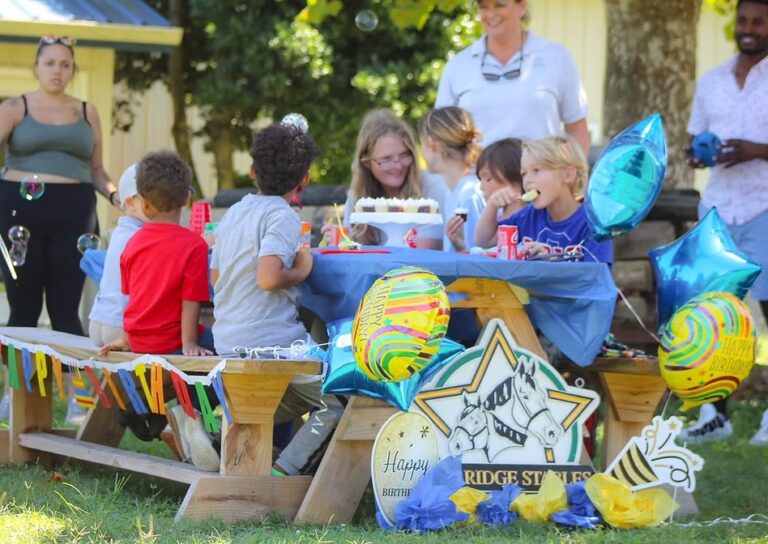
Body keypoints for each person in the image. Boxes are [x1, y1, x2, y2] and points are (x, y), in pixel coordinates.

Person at [211, 123, 344, 477]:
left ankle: (218, 431)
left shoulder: (235, 212)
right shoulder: (282, 215)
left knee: (275, 399)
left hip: (227, 338)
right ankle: (285, 470)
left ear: (253, 171)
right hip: (270, 343)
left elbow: (216, 277)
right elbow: (269, 278)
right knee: (338, 397)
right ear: (305, 179)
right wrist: (302, 268)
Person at [681, 0, 768, 446]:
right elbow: (692, 139)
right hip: (716, 211)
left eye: (758, 21)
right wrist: (696, 153)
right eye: (743, 20)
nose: (748, 28)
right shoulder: (711, 81)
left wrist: (757, 150)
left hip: (764, 208)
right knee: (714, 315)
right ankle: (715, 415)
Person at [435, 0, 590, 156]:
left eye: (499, 5)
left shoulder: (556, 57)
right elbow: (440, 133)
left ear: (522, 6)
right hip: (477, 171)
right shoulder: (458, 65)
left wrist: (577, 169)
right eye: (484, 7)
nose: (490, 14)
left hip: (542, 170)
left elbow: (576, 127)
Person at [474, 135, 613, 264]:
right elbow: (485, 242)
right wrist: (492, 206)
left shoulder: (593, 225)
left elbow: (597, 275)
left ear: (568, 175)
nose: (527, 180)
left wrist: (552, 263)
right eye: (524, 173)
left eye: (536, 170)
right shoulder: (529, 215)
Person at [331, 109, 447, 248]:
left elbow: (423, 252)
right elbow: (348, 248)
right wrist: (339, 239)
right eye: (386, 159)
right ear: (366, 163)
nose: (398, 166)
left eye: (404, 155)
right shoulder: (358, 196)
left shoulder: (432, 188)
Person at [88, 163, 147, 346]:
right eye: (154, 201)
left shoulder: (120, 231)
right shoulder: (145, 236)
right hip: (122, 327)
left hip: (98, 320)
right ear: (130, 203)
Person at [418, 107, 485, 252]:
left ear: (432, 144)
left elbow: (478, 258)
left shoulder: (469, 195)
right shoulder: (454, 192)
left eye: (422, 145)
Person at [475, 137, 526, 228]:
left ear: (515, 176)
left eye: (488, 179)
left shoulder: (530, 218)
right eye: (481, 179)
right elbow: (481, 237)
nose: (481, 187)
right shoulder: (497, 218)